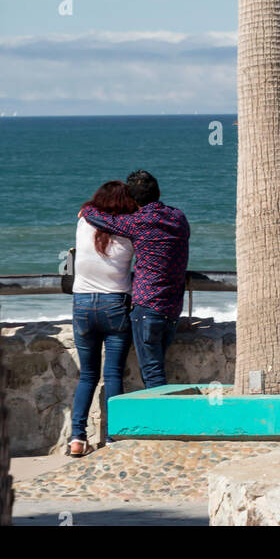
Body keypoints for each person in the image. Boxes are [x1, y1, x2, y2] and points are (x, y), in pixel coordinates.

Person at [82, 170, 190, 390]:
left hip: (147, 308)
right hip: (173, 307)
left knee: (153, 374)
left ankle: (162, 423)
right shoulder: (179, 217)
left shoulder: (138, 222)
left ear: (132, 199)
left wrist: (86, 208)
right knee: (157, 367)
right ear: (158, 192)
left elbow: (101, 219)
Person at [68, 179, 138, 457]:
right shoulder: (130, 229)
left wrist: (86, 209)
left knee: (87, 375)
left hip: (82, 303)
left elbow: (88, 212)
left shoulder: (84, 221)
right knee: (112, 375)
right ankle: (112, 438)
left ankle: (77, 437)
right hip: (115, 303)